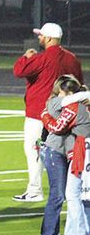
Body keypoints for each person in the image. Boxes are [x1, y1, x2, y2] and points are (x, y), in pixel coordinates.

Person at [14, 23, 84, 203]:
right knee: (65, 152)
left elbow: (19, 71)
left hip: (39, 113)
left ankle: (35, 190)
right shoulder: (72, 59)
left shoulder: (42, 58)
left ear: (49, 38)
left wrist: (26, 57)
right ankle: (70, 191)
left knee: (35, 150)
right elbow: (79, 84)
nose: (39, 38)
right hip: (66, 114)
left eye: (41, 35)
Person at [39, 76, 90, 235]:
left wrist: (45, 116)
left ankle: (78, 234)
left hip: (76, 152)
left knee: (74, 193)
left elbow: (58, 126)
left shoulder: (74, 105)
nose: (65, 96)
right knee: (63, 193)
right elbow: (57, 128)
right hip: (56, 151)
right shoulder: (57, 102)